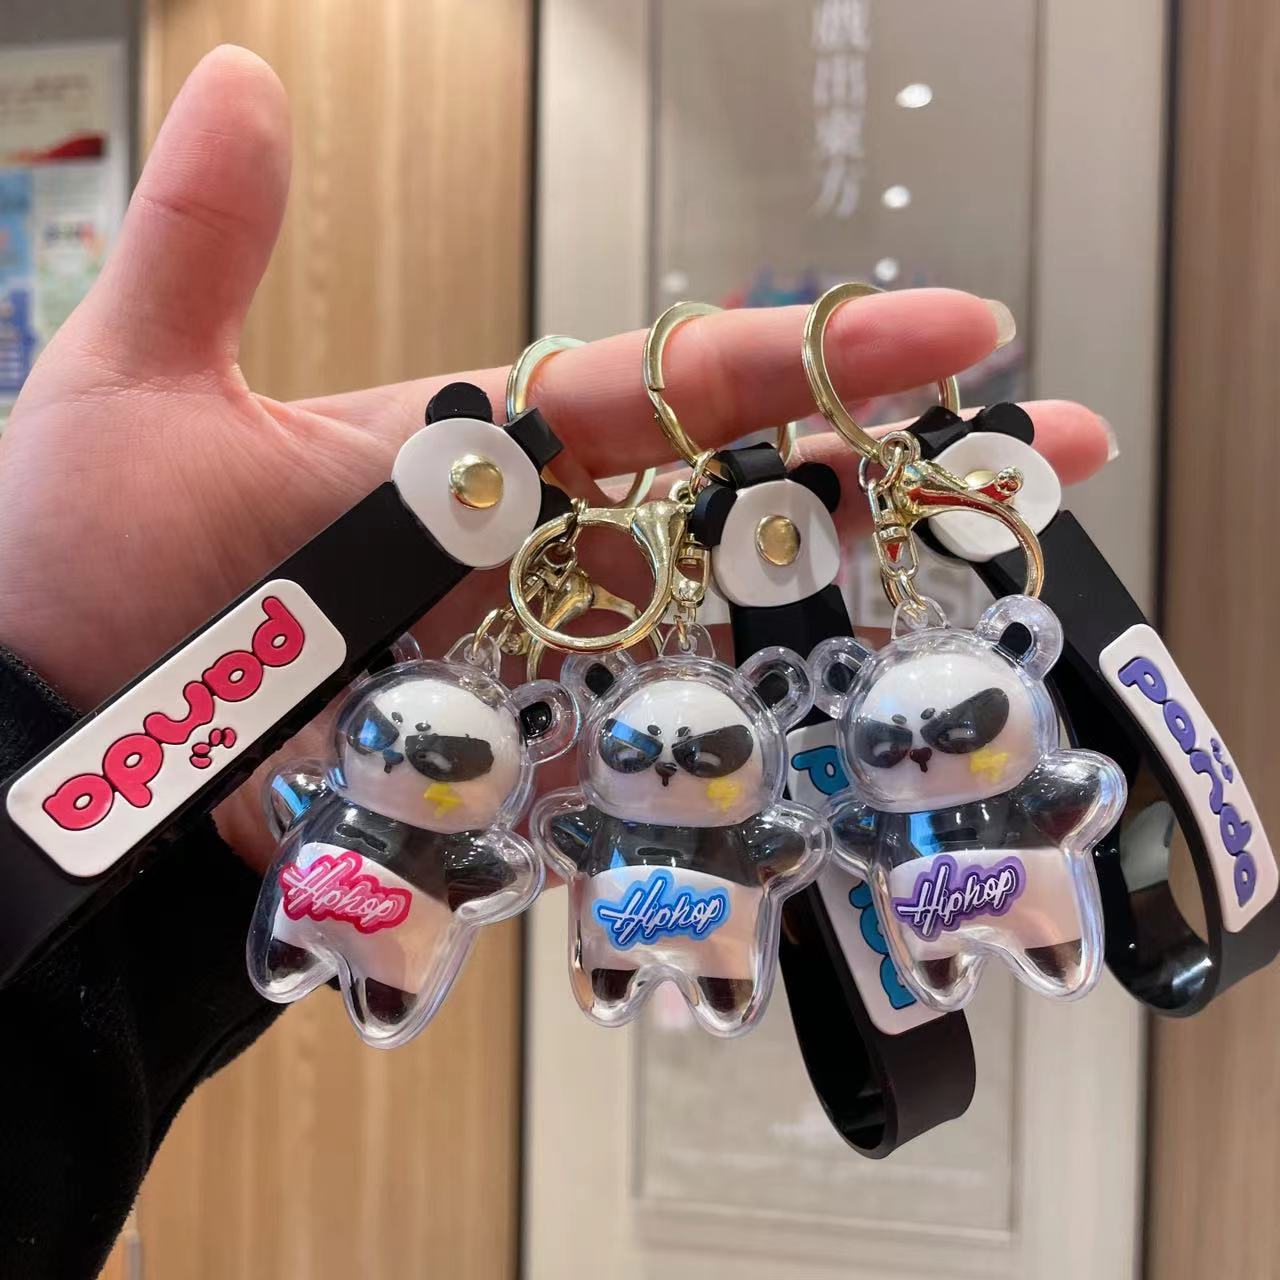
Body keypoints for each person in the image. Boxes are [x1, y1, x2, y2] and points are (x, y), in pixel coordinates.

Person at [0, 46, 1114, 1279]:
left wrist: (51, 752)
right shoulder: (412, 770)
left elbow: (847, 828)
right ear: (550, 717)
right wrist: (59, 717)